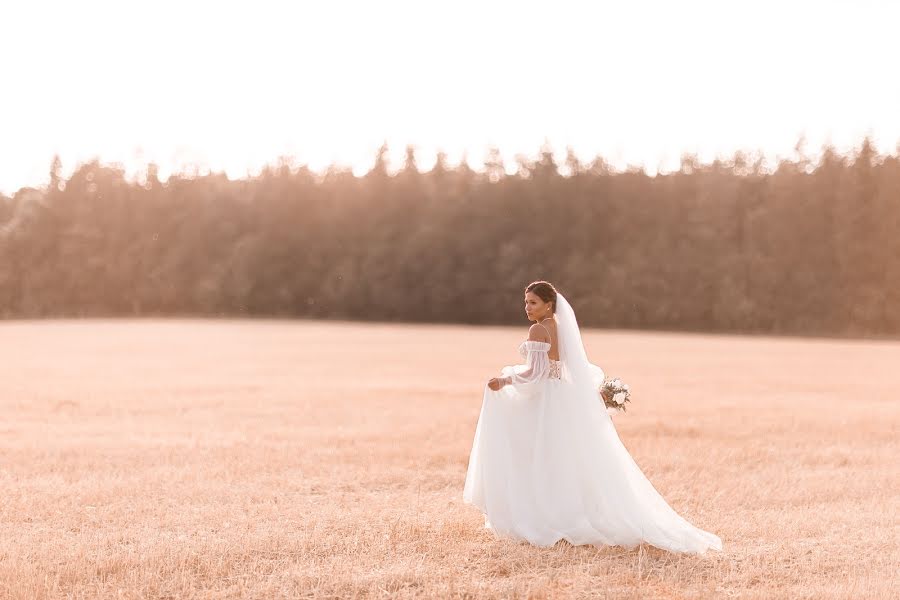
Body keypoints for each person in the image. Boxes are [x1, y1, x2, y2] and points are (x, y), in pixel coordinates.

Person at [463, 280, 723, 554]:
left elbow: (536, 373)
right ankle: (564, 512)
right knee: (563, 459)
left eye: (533, 302)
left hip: (546, 400)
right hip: (561, 396)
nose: (527, 307)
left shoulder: (539, 329)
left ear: (548, 304)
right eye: (526, 302)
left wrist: (505, 380)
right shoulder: (559, 328)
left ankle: (544, 516)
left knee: (537, 456)